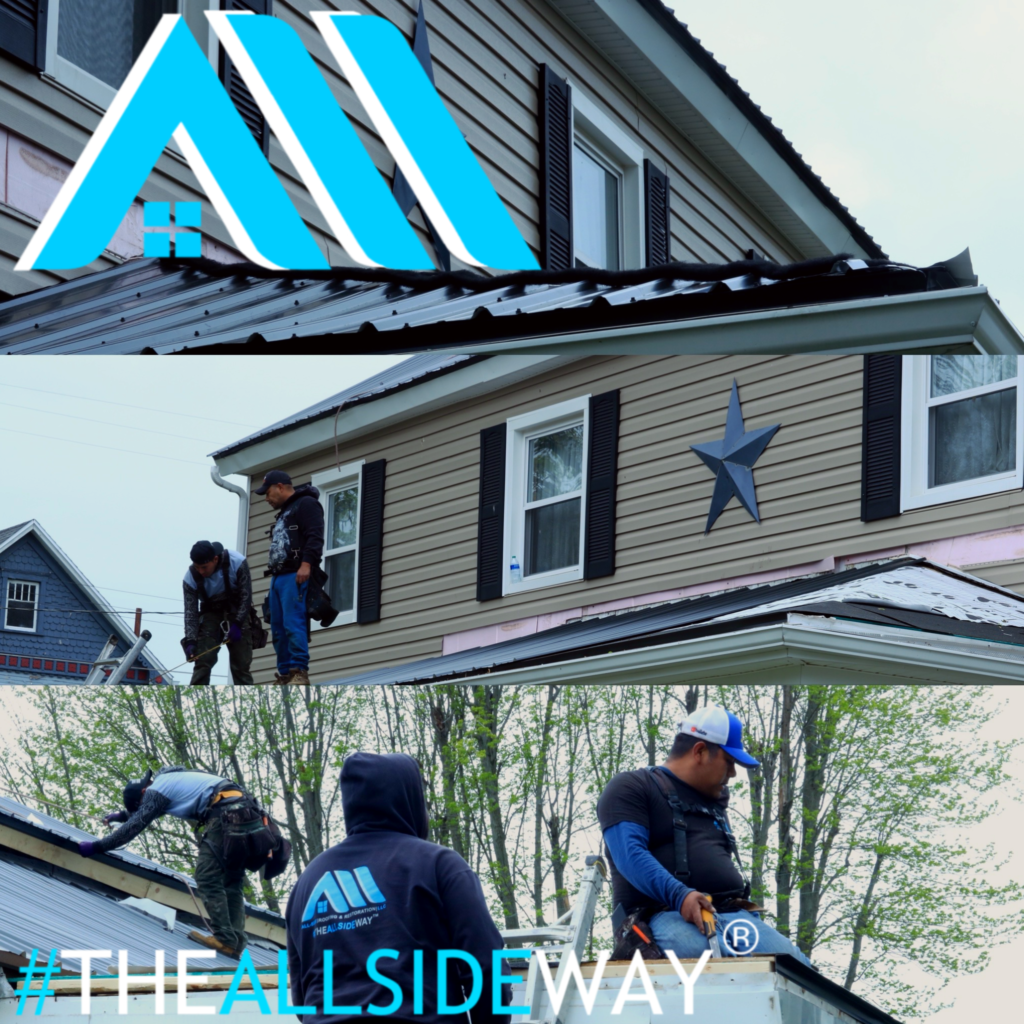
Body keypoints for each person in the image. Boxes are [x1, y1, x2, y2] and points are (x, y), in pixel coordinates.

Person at [286, 752, 510, 1024]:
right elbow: (485, 968)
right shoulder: (438, 865)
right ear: (410, 798)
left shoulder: (308, 881)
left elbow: (301, 994)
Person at [597, 704, 812, 966]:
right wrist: (680, 895)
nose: (733, 773)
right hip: (661, 916)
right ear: (699, 751)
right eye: (730, 762)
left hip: (733, 917)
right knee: (709, 961)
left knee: (800, 969)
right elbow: (629, 855)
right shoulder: (633, 787)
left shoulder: (714, 801)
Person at [77, 767, 286, 958]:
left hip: (226, 815)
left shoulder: (154, 792)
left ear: (144, 794)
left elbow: (136, 825)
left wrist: (97, 846)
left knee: (207, 877)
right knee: (232, 881)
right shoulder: (169, 779)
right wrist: (122, 815)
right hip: (247, 814)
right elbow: (143, 813)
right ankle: (236, 941)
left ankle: (225, 938)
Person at [256, 470, 325, 685]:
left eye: (267, 493)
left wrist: (306, 564)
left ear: (280, 486)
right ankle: (285, 674)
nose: (266, 499)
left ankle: (299, 671)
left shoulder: (306, 504)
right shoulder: (286, 511)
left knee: (293, 623)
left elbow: (315, 535)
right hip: (278, 576)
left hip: (295, 574)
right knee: (278, 627)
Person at [182, 540, 254, 686]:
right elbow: (191, 612)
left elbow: (246, 597)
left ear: (215, 559)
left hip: (236, 609)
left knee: (240, 664)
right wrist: (190, 641)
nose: (201, 572)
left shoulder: (237, 562)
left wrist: (238, 624)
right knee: (203, 661)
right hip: (210, 612)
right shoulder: (190, 578)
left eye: (204, 567)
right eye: (197, 567)